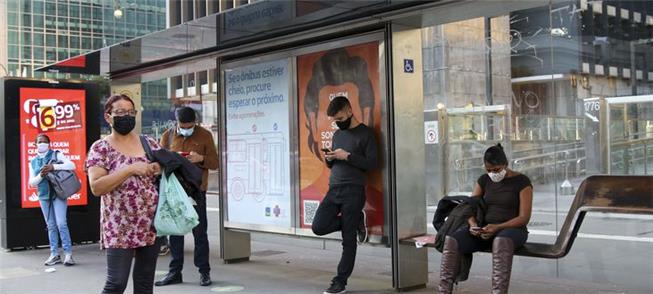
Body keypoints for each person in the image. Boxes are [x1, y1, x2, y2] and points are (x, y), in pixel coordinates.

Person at [86, 94, 162, 294]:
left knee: (145, 283)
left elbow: (166, 169)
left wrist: (158, 167)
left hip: (150, 223)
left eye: (131, 112)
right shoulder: (100, 148)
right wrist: (130, 169)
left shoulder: (149, 143)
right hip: (118, 226)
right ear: (108, 117)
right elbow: (97, 187)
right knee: (117, 283)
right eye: (120, 112)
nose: (126, 116)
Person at [438, 144, 533, 294]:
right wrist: (473, 225)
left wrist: (498, 227)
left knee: (500, 241)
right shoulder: (484, 180)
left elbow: (524, 218)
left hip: (513, 231)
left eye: (496, 170)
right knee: (452, 240)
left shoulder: (522, 182)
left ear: (505, 164)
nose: (493, 173)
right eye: (488, 170)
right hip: (484, 230)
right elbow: (470, 206)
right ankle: (444, 291)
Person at [311, 96, 378, 294]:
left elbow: (372, 164)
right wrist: (330, 158)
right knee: (318, 226)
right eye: (334, 120)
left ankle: (340, 282)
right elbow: (334, 164)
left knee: (348, 240)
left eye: (340, 118)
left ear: (349, 111)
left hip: (353, 191)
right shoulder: (337, 135)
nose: (338, 123)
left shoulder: (366, 134)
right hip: (334, 189)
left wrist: (346, 155)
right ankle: (355, 220)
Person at [155, 106, 218, 287]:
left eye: (190, 125)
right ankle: (175, 272)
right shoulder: (167, 136)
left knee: (200, 233)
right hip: (175, 191)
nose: (186, 128)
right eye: (183, 125)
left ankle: (204, 272)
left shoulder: (205, 135)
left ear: (195, 122)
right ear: (177, 123)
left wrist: (200, 159)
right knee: (176, 232)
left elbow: (214, 163)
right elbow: (159, 160)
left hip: (197, 190)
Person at [28, 134, 76, 266]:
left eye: (44, 142)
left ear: (49, 144)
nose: (42, 144)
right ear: (35, 144)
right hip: (43, 195)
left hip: (58, 193)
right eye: (39, 142)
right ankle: (54, 254)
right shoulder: (33, 161)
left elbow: (72, 165)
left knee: (61, 223)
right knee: (51, 225)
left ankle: (68, 254)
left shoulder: (56, 154)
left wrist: (53, 167)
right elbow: (32, 182)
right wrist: (41, 175)